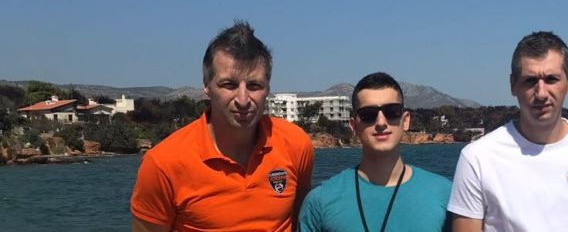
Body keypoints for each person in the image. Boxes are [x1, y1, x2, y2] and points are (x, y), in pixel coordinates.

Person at [130, 21, 314, 231]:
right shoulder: (163, 164)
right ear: (207, 86)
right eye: (229, 85)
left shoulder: (296, 144)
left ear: (268, 88)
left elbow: (301, 220)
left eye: (254, 85)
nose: (243, 100)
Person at [448, 31, 568, 232]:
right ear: (513, 85)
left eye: (551, 79)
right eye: (530, 81)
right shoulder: (477, 158)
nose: (541, 93)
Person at [299, 72, 452, 232]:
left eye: (391, 111)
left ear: (405, 120)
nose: (381, 122)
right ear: (354, 126)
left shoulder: (444, 194)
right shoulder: (321, 201)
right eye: (368, 115)